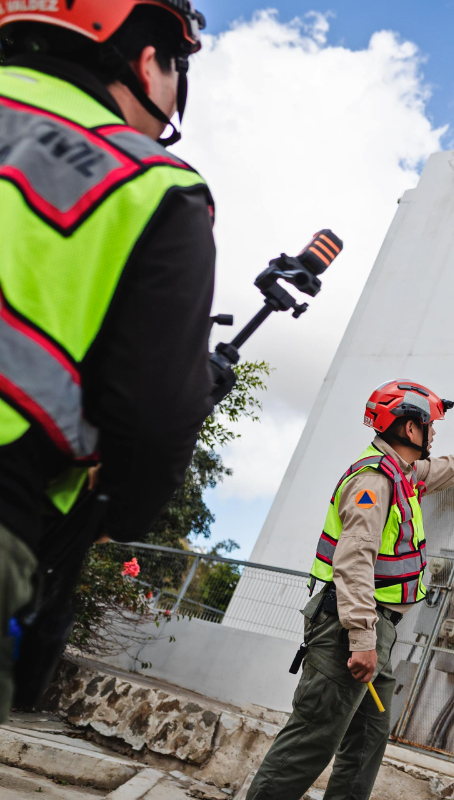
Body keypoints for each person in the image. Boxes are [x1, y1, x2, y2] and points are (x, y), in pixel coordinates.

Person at [0, 0, 215, 720]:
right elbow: (154, 418)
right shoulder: (153, 185)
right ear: (149, 60)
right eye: (177, 68)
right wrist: (116, 506)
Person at [247, 379, 454, 800]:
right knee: (312, 740)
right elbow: (353, 563)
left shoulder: (404, 474)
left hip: (376, 630)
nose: (435, 434)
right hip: (348, 628)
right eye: (431, 425)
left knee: (368, 736)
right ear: (411, 429)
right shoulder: (373, 481)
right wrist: (361, 639)